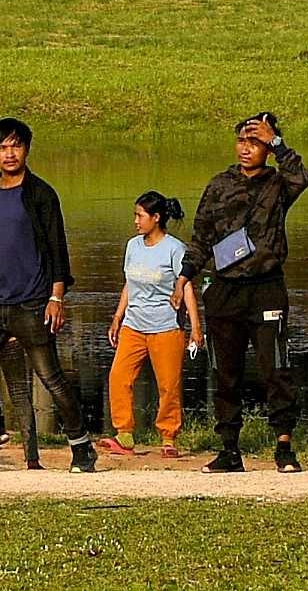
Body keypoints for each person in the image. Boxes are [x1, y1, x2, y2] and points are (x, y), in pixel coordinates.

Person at [0, 117, 94, 473]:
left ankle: (81, 447)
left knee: (52, 378)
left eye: (16, 146)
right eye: (2, 147)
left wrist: (56, 297)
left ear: (27, 148)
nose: (9, 154)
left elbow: (57, 248)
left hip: (32, 303)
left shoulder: (41, 194)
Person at [191, 110, 308, 475]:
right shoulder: (218, 185)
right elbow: (201, 236)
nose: (246, 148)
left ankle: (284, 446)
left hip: (265, 288)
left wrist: (277, 142)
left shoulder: (278, 184)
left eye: (255, 142)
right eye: (242, 140)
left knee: (276, 367)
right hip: (224, 290)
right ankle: (229, 449)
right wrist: (185, 276)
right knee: (224, 372)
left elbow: (302, 177)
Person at [103, 190, 198, 457]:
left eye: (140, 215)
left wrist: (196, 328)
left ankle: (168, 437)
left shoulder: (175, 249)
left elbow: (186, 287)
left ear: (156, 218)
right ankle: (124, 433)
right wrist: (117, 317)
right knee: (119, 377)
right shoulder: (132, 246)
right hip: (133, 326)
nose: (136, 221)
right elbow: (129, 285)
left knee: (169, 385)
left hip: (166, 327)